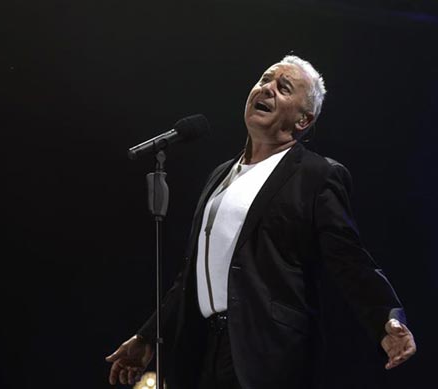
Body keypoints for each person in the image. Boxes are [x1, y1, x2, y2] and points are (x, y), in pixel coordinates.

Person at [105, 55, 416, 389]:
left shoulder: (316, 175)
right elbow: (192, 275)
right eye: (265, 80)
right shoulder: (220, 176)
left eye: (283, 88)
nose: (267, 89)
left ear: (303, 120)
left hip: (267, 352)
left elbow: (349, 259)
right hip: (201, 351)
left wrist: (387, 317)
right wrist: (149, 336)